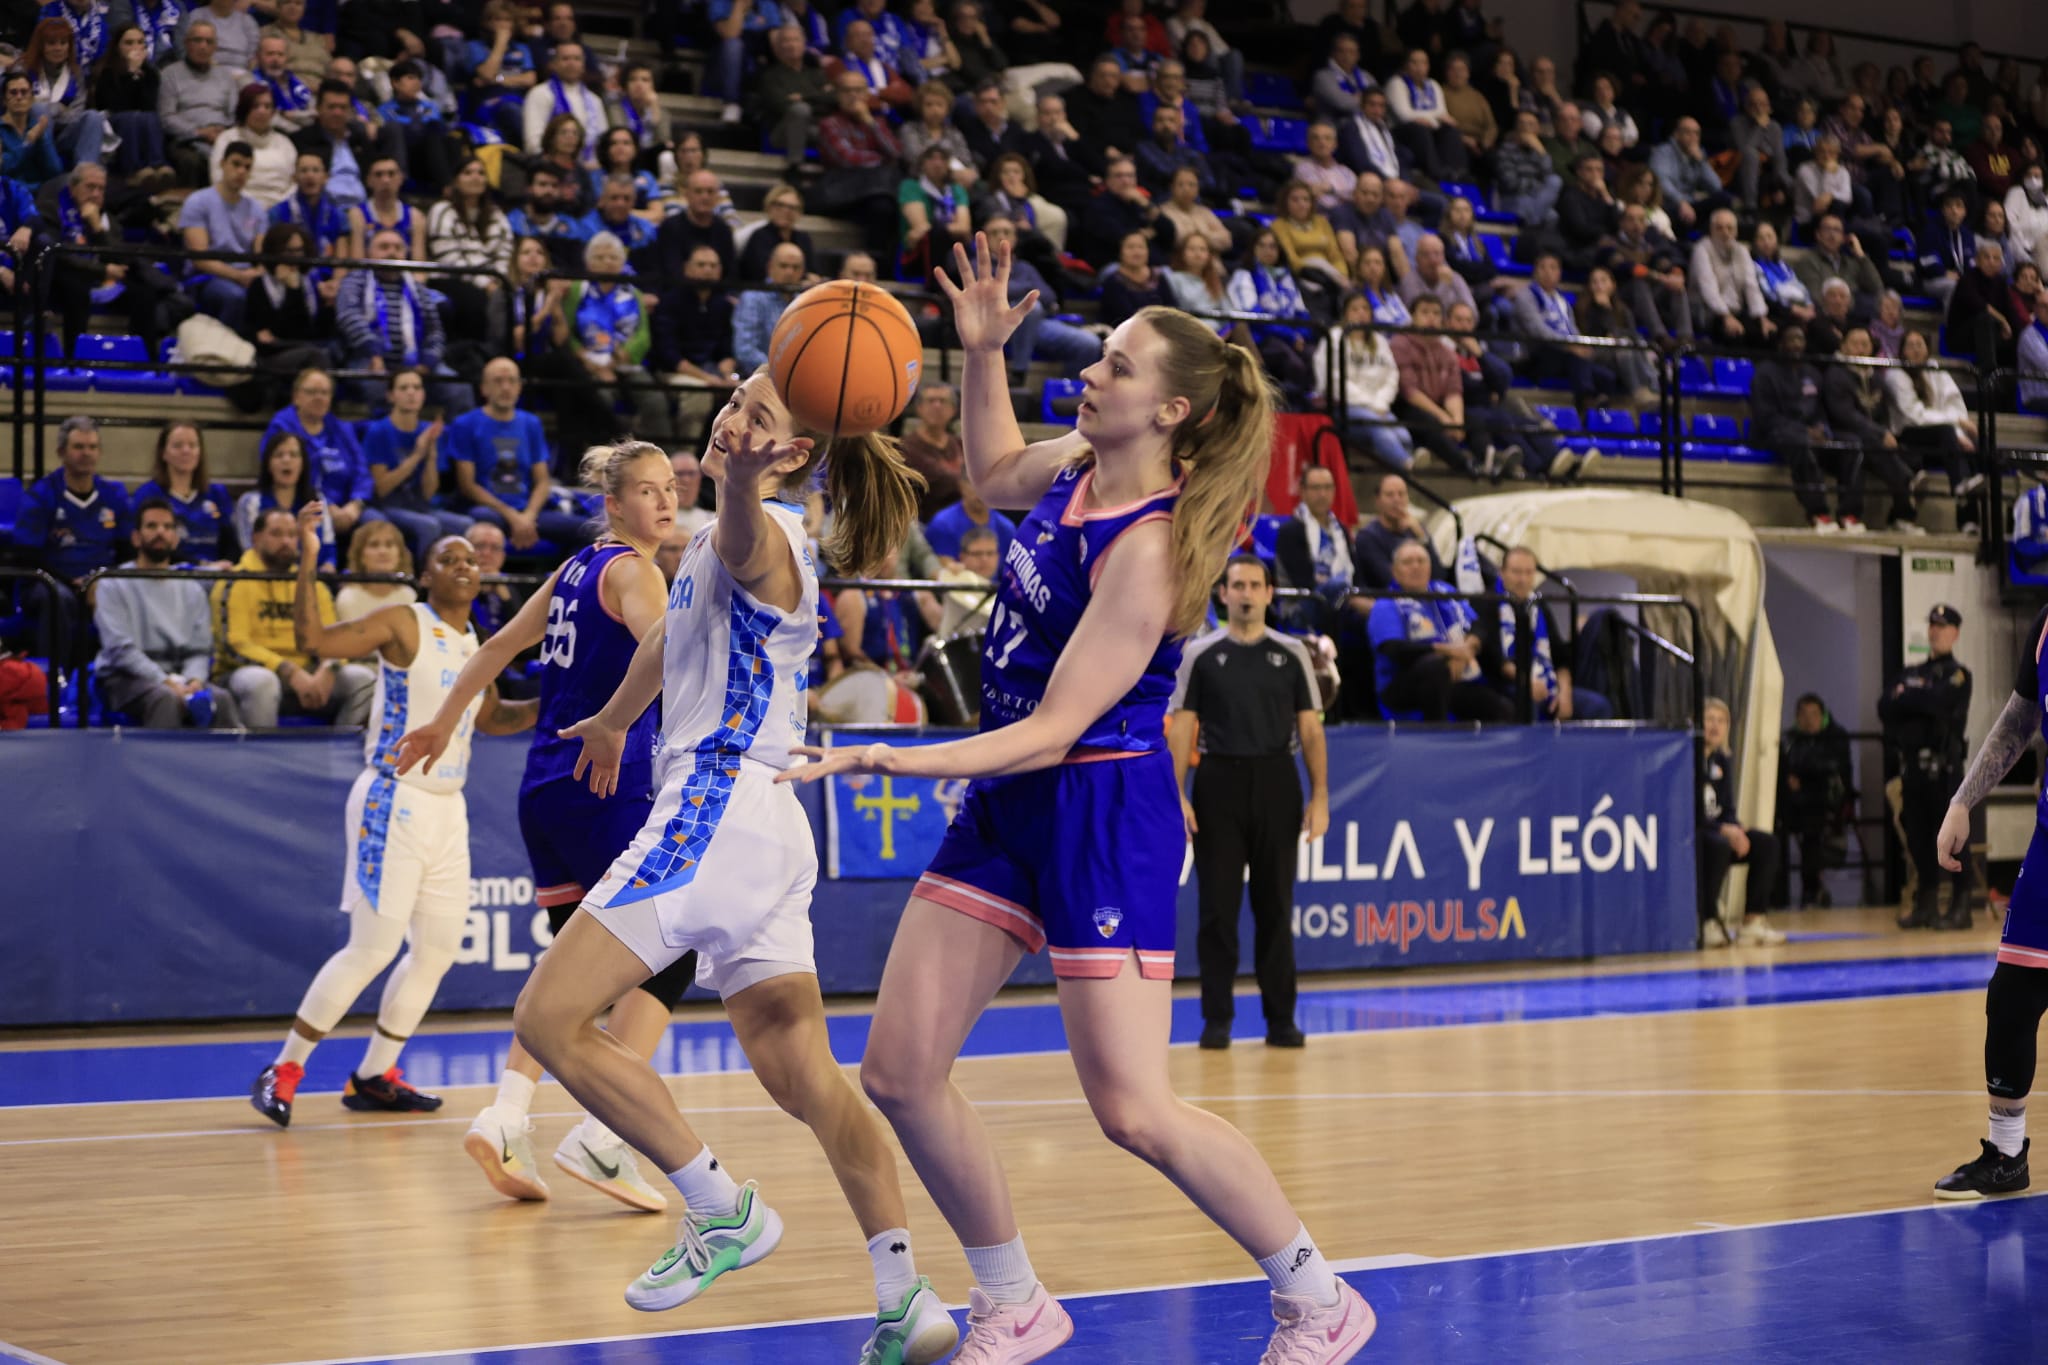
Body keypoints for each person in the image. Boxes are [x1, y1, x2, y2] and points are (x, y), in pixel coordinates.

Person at [780, 239, 1376, 1361]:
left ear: (1172, 413)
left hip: (1100, 813)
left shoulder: (1147, 552)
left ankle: (1315, 1295)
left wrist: (882, 761)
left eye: (1114, 365)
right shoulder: (1073, 465)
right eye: (1099, 357)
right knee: (899, 1070)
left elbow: (1057, 729)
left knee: (1132, 1112)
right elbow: (988, 469)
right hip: (1014, 801)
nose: (1091, 373)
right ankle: (1012, 1301)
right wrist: (980, 355)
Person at [506, 382, 959, 1365]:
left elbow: (750, 548)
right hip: (766, 830)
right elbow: (670, 640)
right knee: (806, 1075)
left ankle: (718, 1209)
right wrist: (617, 720)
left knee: (545, 1019)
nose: (731, 421)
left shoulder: (768, 535)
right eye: (732, 404)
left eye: (756, 419)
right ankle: (903, 1295)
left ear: (792, 453)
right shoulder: (709, 544)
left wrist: (747, 486)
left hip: (710, 817)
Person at [390, 444, 703, 1211]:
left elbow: (498, 648)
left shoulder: (571, 569)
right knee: (670, 951)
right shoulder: (637, 570)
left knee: (570, 977)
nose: (664, 503)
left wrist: (439, 722)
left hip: (543, 791)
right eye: (646, 491)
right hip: (605, 782)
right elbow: (663, 646)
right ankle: (604, 1136)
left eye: (671, 489)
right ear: (614, 502)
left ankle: (505, 1114)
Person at [250, 509, 535, 1126]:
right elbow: (315, 642)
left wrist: (562, 699)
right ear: (425, 574)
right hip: (394, 798)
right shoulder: (406, 622)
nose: (464, 565)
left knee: (435, 949)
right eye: (448, 558)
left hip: (447, 807)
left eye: (471, 559)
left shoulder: (474, 645)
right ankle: (285, 1066)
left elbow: (492, 718)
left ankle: (377, 1073)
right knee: (374, 946)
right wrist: (307, 557)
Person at [1169, 554, 1325, 1051]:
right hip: (1219, 782)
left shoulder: (1291, 652)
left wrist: (1320, 795)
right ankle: (1217, 1020)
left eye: (1255, 585)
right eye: (1237, 585)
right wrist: (1177, 795)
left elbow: (1311, 729)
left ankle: (1281, 1020)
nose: (1246, 593)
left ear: (1269, 593)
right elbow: (1182, 728)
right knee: (1217, 909)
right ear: (1222, 593)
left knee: (1275, 907)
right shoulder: (1201, 653)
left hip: (1277, 778)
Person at [1925, 598, 2048, 1198]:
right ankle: (2006, 1153)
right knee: (2012, 996)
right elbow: (2020, 720)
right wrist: (1961, 801)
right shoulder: (2046, 621)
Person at [211, 506, 373, 727]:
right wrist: (288, 670)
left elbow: (333, 638)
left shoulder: (312, 584)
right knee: (262, 682)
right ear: (255, 538)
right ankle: (262, 758)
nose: (286, 541)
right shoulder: (234, 582)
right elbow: (235, 646)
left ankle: (336, 753)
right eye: (276, 534)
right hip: (245, 673)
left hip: (307, 674)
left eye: (292, 535)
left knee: (364, 680)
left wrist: (328, 669)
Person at [92, 498, 243, 729]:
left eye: (168, 527)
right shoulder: (112, 583)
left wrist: (194, 681)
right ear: (136, 537)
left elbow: (200, 649)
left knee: (221, 699)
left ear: (176, 537)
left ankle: (229, 765)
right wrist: (166, 681)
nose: (160, 532)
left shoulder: (190, 585)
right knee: (166, 699)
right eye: (151, 526)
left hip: (180, 675)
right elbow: (120, 650)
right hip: (124, 679)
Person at [1883, 604, 1974, 930]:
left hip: (1944, 769)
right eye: (1932, 625)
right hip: (1913, 770)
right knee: (1919, 839)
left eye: (1942, 626)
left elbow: (1939, 704)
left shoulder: (1958, 675)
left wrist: (1911, 697)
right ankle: (1927, 904)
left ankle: (1962, 906)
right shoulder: (1911, 672)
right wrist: (1919, 696)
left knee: (1953, 839)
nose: (1935, 631)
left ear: (1954, 633)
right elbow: (1886, 707)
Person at [445, 357, 586, 551]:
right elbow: (467, 486)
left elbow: (543, 481)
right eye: (498, 381)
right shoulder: (465, 424)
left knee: (586, 529)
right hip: (490, 511)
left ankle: (564, 579)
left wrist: (528, 516)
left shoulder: (531, 424)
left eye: (511, 381)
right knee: (484, 518)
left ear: (519, 387)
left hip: (527, 511)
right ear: (484, 388)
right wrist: (513, 517)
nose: (506, 387)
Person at [1368, 540, 1508, 722]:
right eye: (1408, 562)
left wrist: (1467, 648)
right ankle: (1436, 735)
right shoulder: (1386, 604)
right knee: (1435, 668)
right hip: (1404, 682)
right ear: (1394, 571)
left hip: (1457, 674)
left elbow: (1478, 625)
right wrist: (1447, 652)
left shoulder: (1445, 591)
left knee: (1501, 708)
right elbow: (1395, 650)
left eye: (1421, 561)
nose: (1415, 567)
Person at [1477, 545, 1609, 721]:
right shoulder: (1488, 602)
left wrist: (1565, 693)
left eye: (1529, 572)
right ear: (1502, 573)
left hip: (1547, 682)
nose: (1522, 579)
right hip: (1505, 684)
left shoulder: (1540, 605)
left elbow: (1560, 659)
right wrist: (1526, 682)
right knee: (1526, 701)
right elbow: (1495, 660)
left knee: (1598, 706)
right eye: (1516, 572)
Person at [1696, 696, 1784, 948]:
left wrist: (1736, 828)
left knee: (1766, 843)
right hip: (1697, 834)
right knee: (1718, 845)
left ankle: (1752, 921)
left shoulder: (1721, 760)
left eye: (1721, 721)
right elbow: (1690, 813)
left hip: (1719, 831)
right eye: (1709, 719)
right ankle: (1707, 920)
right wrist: (1724, 830)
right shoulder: (1688, 759)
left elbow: (1728, 808)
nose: (1715, 726)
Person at [363, 366, 470, 558]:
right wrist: (417, 455)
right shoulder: (378, 431)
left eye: (417, 387)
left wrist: (431, 456)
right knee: (428, 525)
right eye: (404, 388)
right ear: (391, 396)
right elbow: (381, 488)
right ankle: (425, 582)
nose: (411, 393)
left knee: (467, 526)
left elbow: (428, 494)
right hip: (388, 506)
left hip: (420, 506)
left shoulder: (430, 431)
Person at [1314, 291, 1412, 470]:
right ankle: (1408, 467)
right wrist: (1369, 403)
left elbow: (1392, 376)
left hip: (1378, 406)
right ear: (1345, 314)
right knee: (1378, 428)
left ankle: (1402, 475)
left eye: (1365, 309)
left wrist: (1380, 402)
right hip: (1345, 408)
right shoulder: (1334, 338)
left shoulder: (1379, 341)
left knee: (1403, 435)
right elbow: (1332, 380)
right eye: (1355, 309)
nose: (1361, 313)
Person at [1777, 693, 1852, 910]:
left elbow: (1832, 770)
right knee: (1773, 831)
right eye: (1804, 715)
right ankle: (1776, 897)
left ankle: (1810, 893)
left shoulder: (1836, 737)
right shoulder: (1789, 739)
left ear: (1823, 716)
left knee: (1812, 830)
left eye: (1814, 714)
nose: (1809, 720)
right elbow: (1783, 772)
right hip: (1792, 803)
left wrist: (1804, 776)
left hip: (1823, 802)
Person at [180, 137, 266, 328]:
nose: (241, 171)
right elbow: (200, 258)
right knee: (235, 297)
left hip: (246, 276)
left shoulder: (256, 209)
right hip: (207, 278)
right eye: (236, 164)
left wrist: (257, 274)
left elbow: (262, 256)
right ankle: (224, 353)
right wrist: (238, 276)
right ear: (222, 164)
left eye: (247, 167)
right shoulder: (198, 201)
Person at [133, 421, 231, 563]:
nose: (186, 451)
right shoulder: (148, 494)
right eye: (177, 445)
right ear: (164, 453)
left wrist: (225, 565)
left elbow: (230, 543)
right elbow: (149, 545)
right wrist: (201, 566)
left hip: (217, 573)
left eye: (192, 445)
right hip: (171, 573)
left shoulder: (217, 493)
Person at [1690, 207, 1773, 349]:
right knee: (1734, 334)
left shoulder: (1741, 251)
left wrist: (1762, 318)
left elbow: (1751, 286)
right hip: (1708, 313)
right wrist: (1726, 317)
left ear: (1736, 231)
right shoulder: (1702, 250)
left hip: (1736, 311)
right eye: (1719, 228)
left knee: (1765, 333)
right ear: (1711, 230)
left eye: (1729, 228)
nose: (1725, 233)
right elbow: (1708, 290)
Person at [1352, 470, 1445, 588]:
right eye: (1389, 495)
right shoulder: (1367, 537)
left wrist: (1422, 537)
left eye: (1401, 494)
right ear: (1378, 501)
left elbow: (1439, 577)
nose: (1396, 500)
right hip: (1387, 601)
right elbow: (1390, 580)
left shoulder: (1416, 530)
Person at [333, 517, 417, 626]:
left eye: (389, 544)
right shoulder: (348, 598)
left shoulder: (409, 595)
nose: (383, 551)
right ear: (361, 557)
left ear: (399, 555)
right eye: (374, 545)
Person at [924, 475, 1014, 562]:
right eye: (976, 484)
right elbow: (943, 570)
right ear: (962, 486)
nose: (982, 492)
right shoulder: (943, 525)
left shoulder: (1007, 528)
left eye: (989, 485)